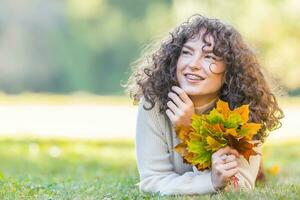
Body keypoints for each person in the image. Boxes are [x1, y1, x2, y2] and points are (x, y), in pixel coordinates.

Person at [124, 14, 283, 195]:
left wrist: (190, 129)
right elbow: (152, 181)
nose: (193, 64)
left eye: (209, 56)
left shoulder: (246, 109)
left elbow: (240, 188)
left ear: (230, 70)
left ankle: (259, 169)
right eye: (186, 52)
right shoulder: (154, 103)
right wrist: (211, 182)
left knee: (256, 171)